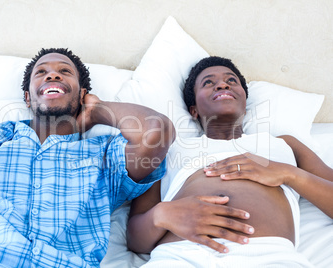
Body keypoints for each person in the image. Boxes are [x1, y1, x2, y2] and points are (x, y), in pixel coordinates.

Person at [0, 48, 175, 267]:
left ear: (82, 95)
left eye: (64, 71)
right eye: (42, 72)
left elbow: (157, 133)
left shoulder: (104, 156)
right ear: (27, 97)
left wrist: (97, 111)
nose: (53, 75)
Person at [126, 56, 333, 267]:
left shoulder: (284, 145)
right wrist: (161, 215)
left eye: (231, 81)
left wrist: (289, 174)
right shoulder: (170, 150)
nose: (222, 84)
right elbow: (135, 240)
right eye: (208, 82)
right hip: (180, 256)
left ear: (244, 102)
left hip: (269, 257)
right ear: (193, 110)